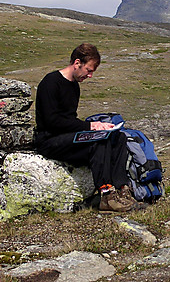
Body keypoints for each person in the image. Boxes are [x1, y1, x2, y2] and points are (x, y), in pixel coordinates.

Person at [35, 43, 137, 212]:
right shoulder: (50, 82)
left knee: (118, 138)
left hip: (67, 137)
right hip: (49, 140)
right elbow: (52, 121)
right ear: (77, 63)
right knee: (98, 142)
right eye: (88, 70)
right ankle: (106, 194)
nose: (89, 76)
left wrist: (95, 129)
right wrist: (90, 126)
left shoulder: (74, 86)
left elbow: (69, 119)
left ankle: (122, 190)